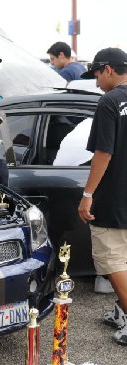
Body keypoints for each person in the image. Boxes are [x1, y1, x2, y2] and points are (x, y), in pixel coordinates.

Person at [77, 47, 127, 344]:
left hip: (114, 196)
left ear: (108, 69)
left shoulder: (110, 101)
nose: (96, 82)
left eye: (96, 74)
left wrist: (87, 194)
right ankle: (121, 310)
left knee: (112, 261)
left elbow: (103, 152)